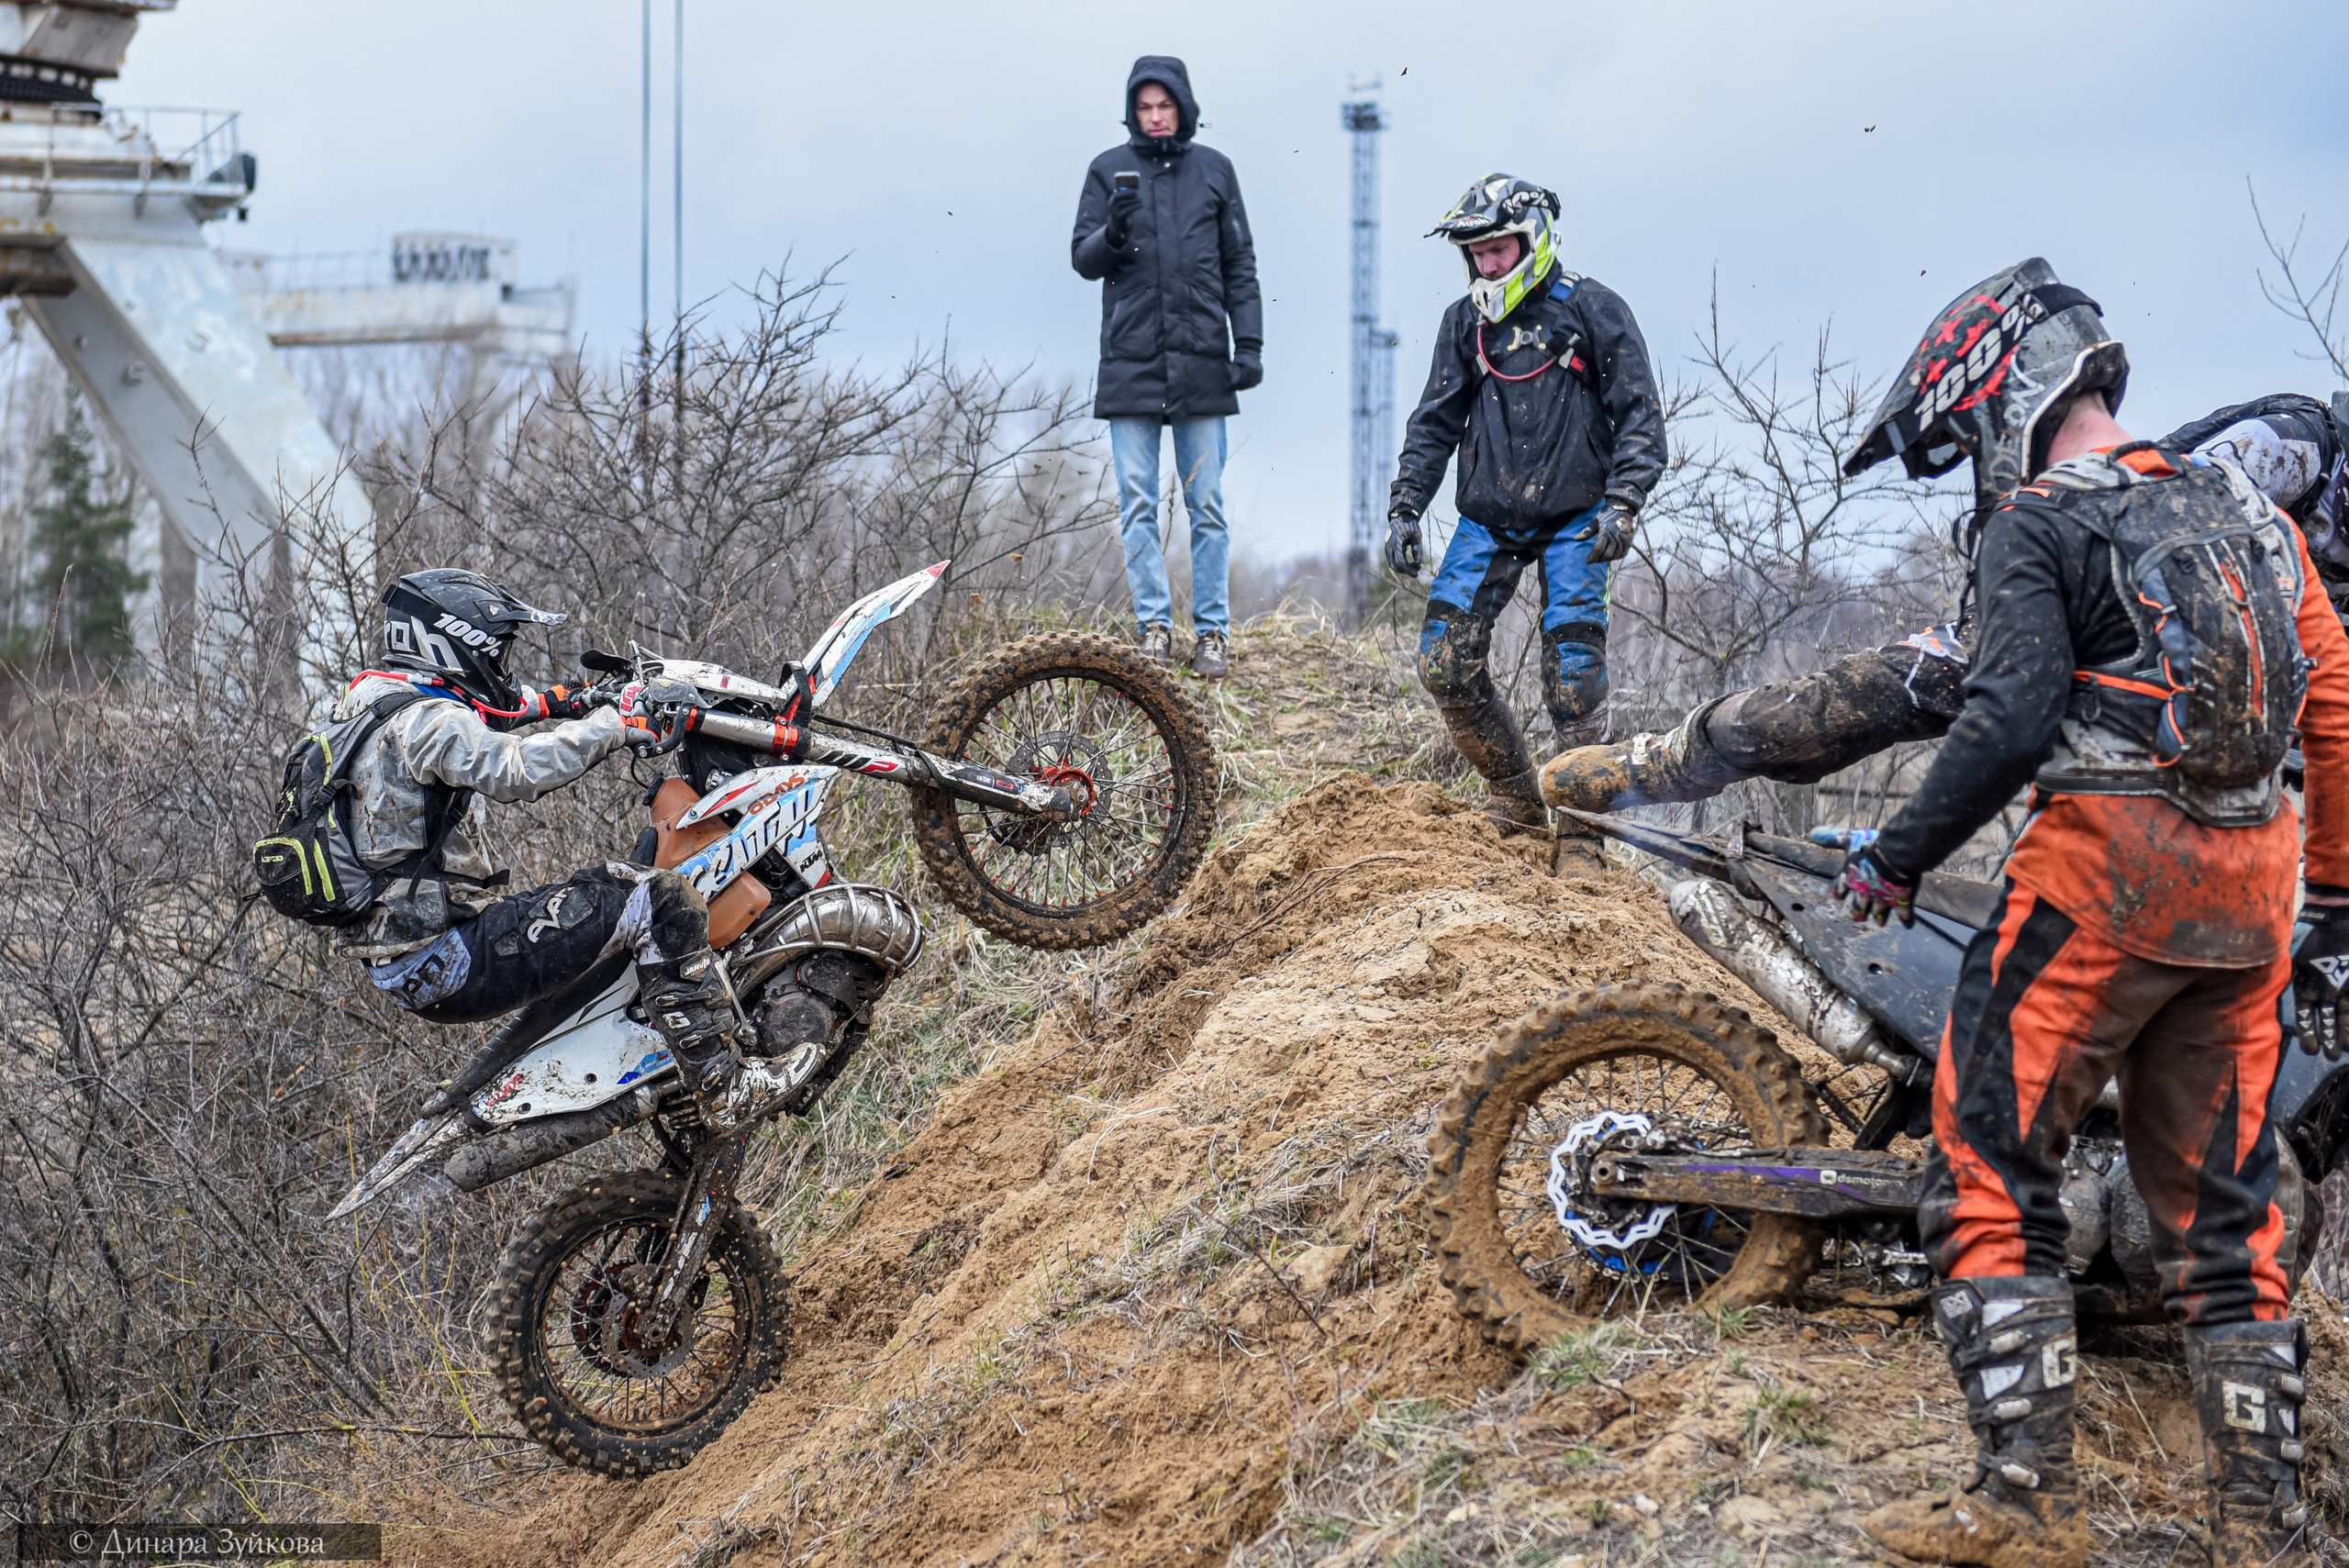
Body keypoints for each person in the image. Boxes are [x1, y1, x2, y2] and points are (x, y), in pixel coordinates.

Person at [1820, 261, 2349, 1568]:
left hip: (2099, 886)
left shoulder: (2041, 520)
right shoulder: (2250, 509)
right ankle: (2263, 1526)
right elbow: (2335, 702)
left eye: (1964, 435)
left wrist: (1897, 854)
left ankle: (2025, 1502)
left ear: (2004, 393)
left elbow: (2006, 715)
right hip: (2251, 899)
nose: (1971, 464)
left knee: (1988, 1166)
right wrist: (2333, 898)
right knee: (2227, 1216)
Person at [1540, 391, 2349, 815]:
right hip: (2084, 609)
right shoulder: (2296, 444)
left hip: (2201, 713)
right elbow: (2156, 503)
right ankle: (1656, 764)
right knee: (1871, 697)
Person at [335, 570, 805, 1133]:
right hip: (446, 958)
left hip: (407, 959)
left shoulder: (373, 703)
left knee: (616, 885)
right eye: (496, 651)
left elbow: (490, 716)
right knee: (661, 900)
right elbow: (515, 768)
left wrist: (568, 700)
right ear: (456, 644)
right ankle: (724, 1086)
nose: (502, 665)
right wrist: (617, 723)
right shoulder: (428, 723)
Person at [1383, 173, 1664, 831]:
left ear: (1532, 240)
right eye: (1476, 253)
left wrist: (1625, 501)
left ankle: (1585, 830)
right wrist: (1405, 507)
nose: (1487, 265)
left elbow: (1641, 417)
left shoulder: (1594, 309)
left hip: (1579, 517)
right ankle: (1515, 796)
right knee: (1443, 663)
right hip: (1489, 518)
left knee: (1574, 680)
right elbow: (1433, 423)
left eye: (1497, 250)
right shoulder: (1463, 324)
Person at [1070, 55, 1261, 680]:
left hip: (1203, 362)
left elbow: (1240, 265)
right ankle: (1152, 628)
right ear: (1132, 112)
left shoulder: (1216, 170)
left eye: (1165, 105)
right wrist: (1115, 227)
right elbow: (1084, 260)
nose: (1155, 117)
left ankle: (1213, 634)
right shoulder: (1106, 170)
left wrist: (1249, 345)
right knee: (1136, 501)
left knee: (1207, 503)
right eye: (1144, 107)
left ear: (1183, 107)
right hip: (1131, 364)